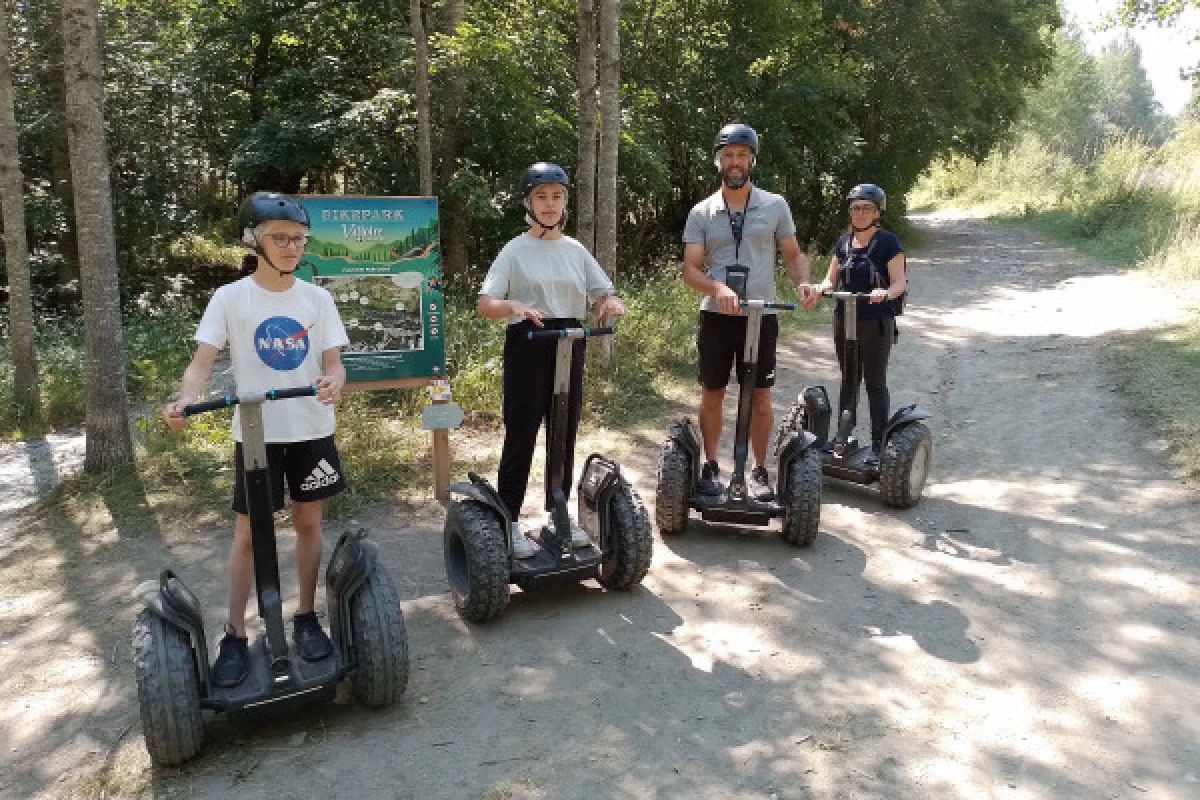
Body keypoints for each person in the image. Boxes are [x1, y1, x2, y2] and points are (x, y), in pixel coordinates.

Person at [163, 192, 350, 687]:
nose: (292, 247)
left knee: (310, 522)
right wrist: (185, 399)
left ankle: (306, 617)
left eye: (298, 239)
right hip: (256, 433)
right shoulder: (230, 298)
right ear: (254, 241)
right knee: (248, 533)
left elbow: (334, 361)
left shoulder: (318, 299)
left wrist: (335, 379)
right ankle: (235, 635)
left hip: (310, 427)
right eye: (280, 238)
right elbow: (202, 363)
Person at [477, 162, 628, 558]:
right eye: (541, 197)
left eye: (556, 197)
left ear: (565, 203)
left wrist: (608, 301)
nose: (549, 204)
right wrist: (512, 305)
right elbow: (485, 304)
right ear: (528, 202)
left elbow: (602, 291)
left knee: (564, 428)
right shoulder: (515, 249)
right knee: (522, 431)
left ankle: (557, 511)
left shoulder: (574, 249)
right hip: (528, 340)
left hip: (570, 341)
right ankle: (508, 518)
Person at [682, 123, 817, 501]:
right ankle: (710, 466)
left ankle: (758, 472)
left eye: (742, 155)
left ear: (752, 159)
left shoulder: (775, 206)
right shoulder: (702, 212)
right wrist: (718, 287)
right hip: (716, 316)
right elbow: (690, 270)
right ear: (718, 160)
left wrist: (803, 283)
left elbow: (792, 256)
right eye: (728, 155)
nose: (735, 162)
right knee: (713, 394)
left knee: (760, 397)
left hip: (761, 316)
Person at [808, 183, 906, 466]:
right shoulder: (843, 243)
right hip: (844, 319)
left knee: (875, 382)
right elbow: (830, 279)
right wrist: (819, 289)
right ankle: (843, 437)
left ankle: (878, 444)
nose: (860, 213)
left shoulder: (888, 242)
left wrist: (884, 293)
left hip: (876, 321)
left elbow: (899, 283)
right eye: (855, 208)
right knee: (849, 378)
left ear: (877, 212)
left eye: (866, 208)